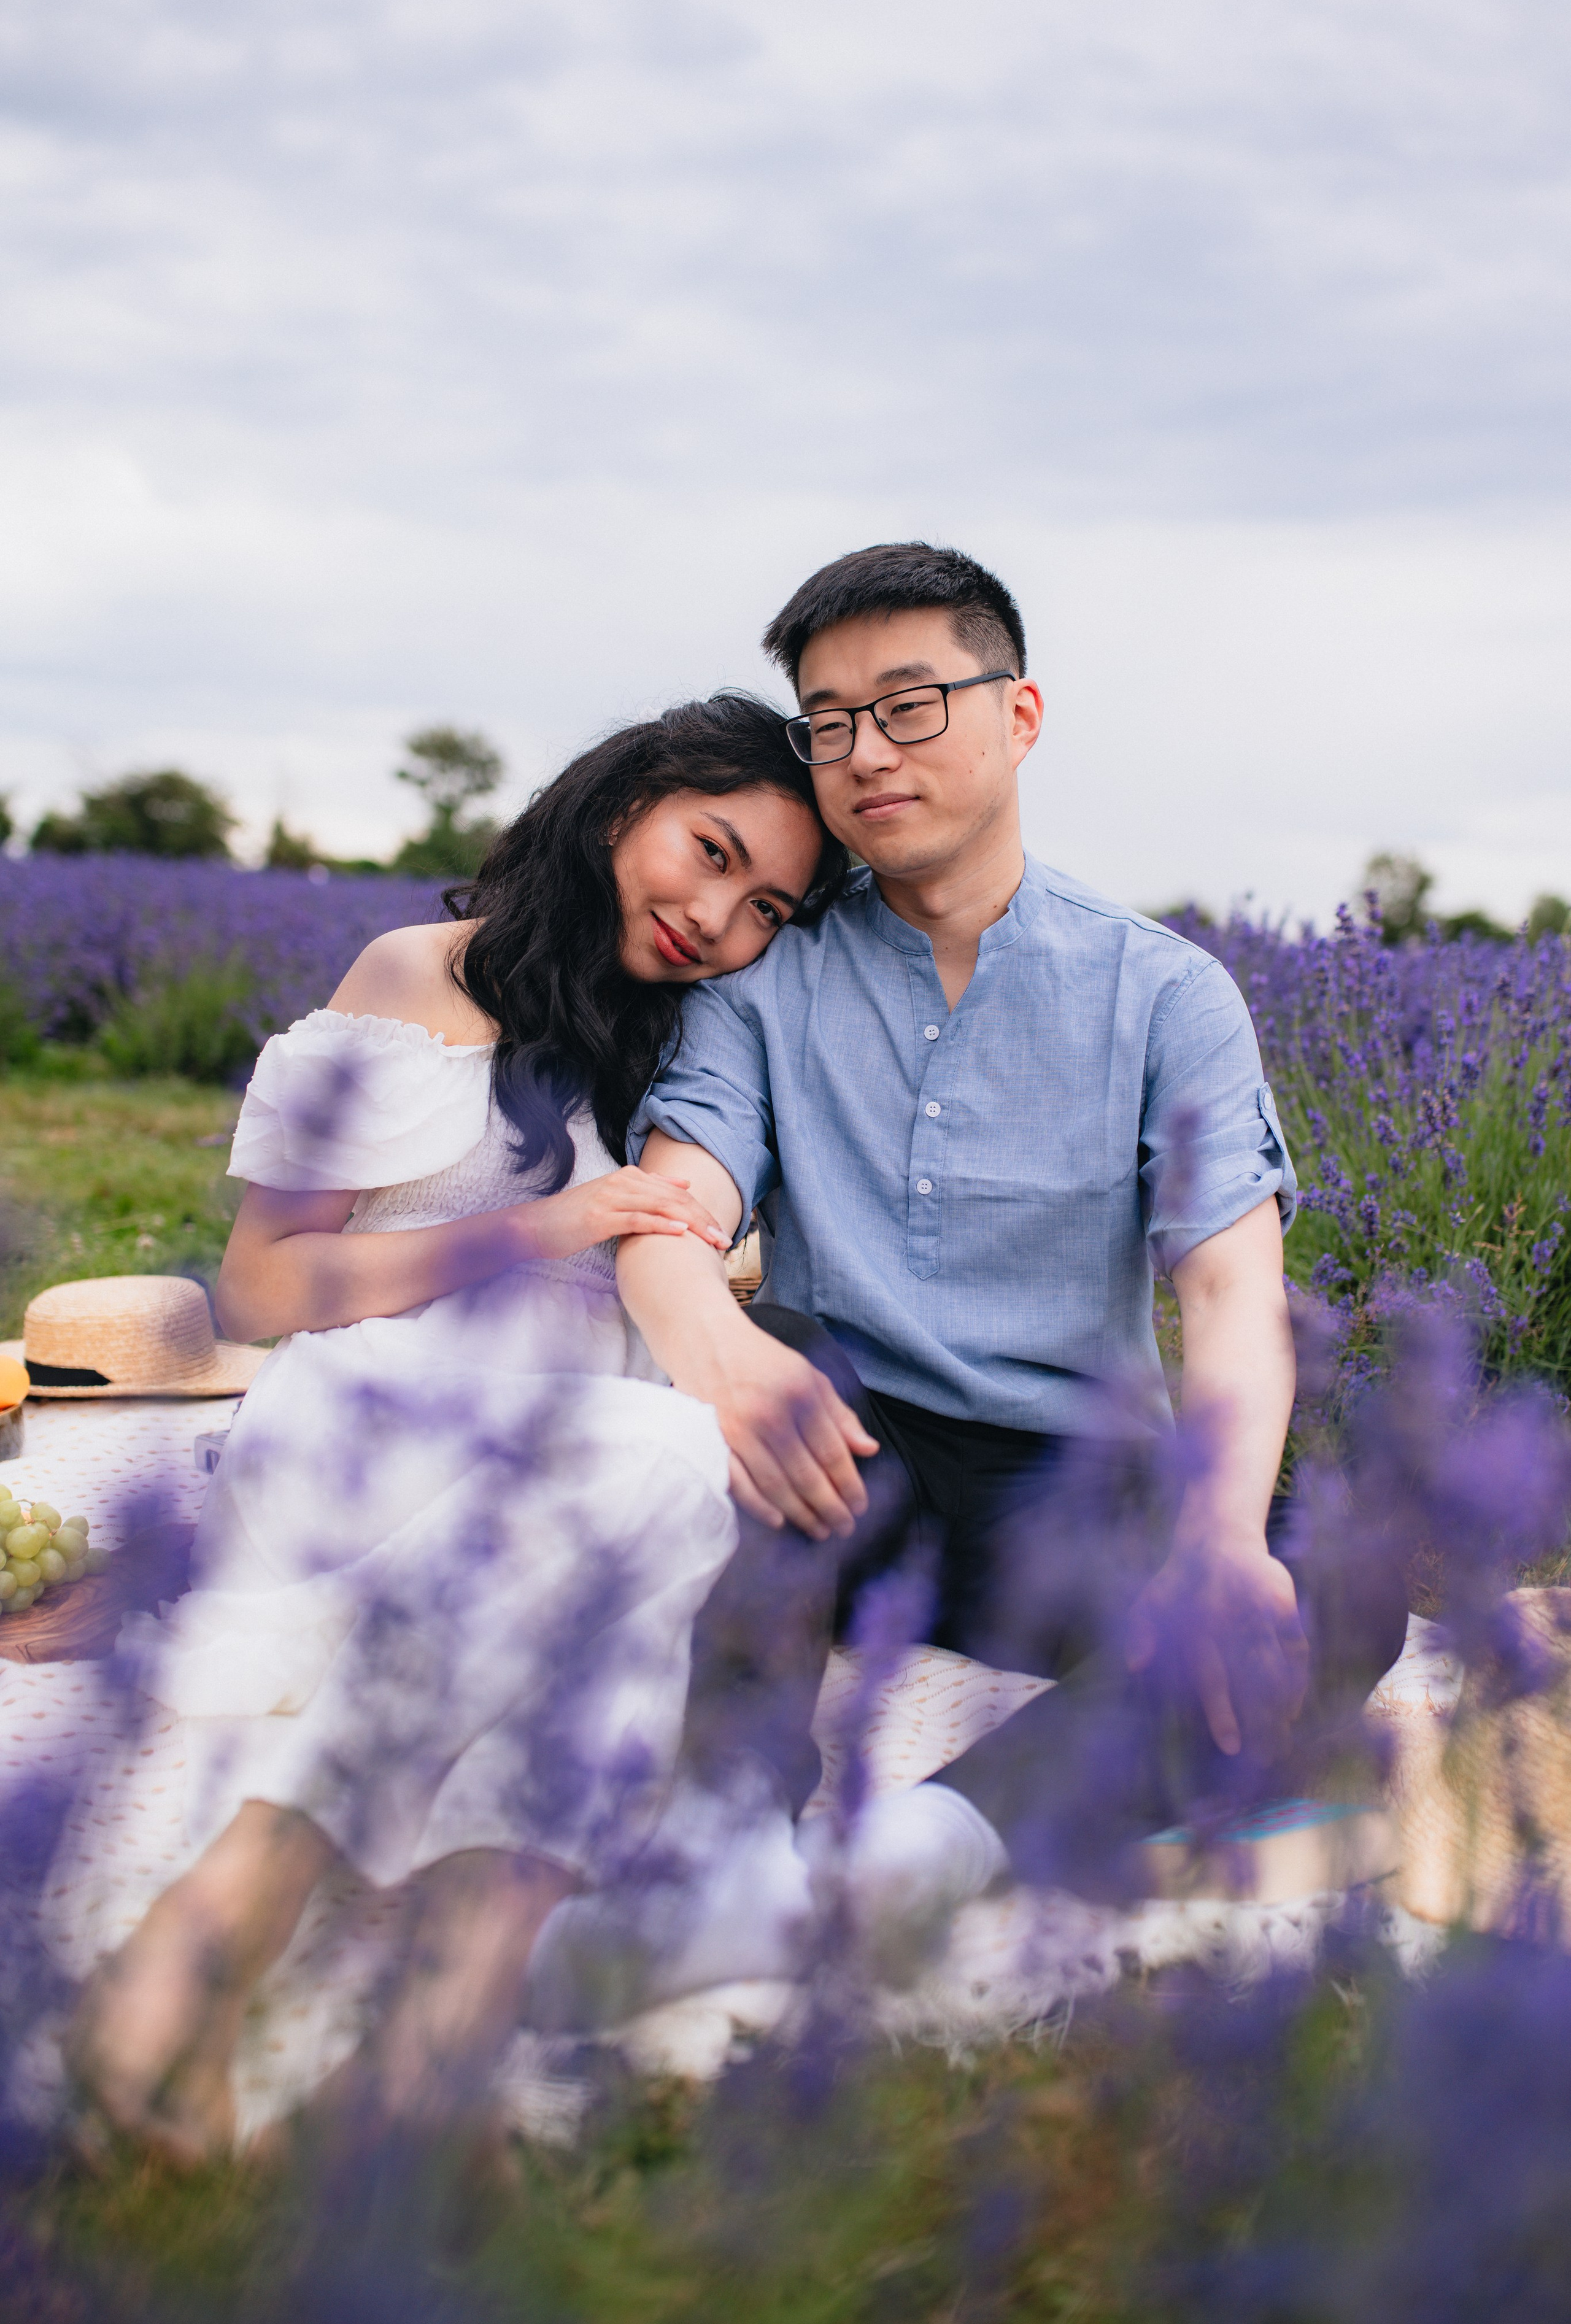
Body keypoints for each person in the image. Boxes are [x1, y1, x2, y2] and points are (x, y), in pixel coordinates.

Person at [600, 542, 1410, 1981]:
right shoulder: (766, 973)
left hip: (1070, 1472)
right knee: (726, 1422)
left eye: (908, 705)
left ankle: (908, 1857)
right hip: (848, 1455)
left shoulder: (1161, 992)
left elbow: (1227, 1289)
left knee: (1339, 1573)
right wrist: (721, 1363)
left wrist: (1219, 1537)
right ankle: (723, 1842)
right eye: (829, 720)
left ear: (1017, 715)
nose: (864, 753)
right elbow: (669, 1213)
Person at [64, 692, 846, 2166]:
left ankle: (423, 2058)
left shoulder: (691, 1046)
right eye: (710, 850)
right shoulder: (423, 975)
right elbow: (260, 1284)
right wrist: (548, 1225)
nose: (717, 915)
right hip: (369, 1432)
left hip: (580, 1456)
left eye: (765, 908)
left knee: (652, 1501)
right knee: (670, 1470)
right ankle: (239, 1918)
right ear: (627, 805)